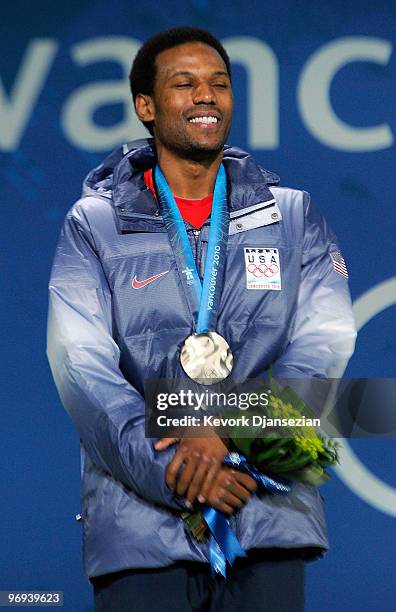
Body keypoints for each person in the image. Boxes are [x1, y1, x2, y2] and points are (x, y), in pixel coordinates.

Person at [47, 27, 356, 611]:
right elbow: (80, 366)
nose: (205, 96)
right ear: (146, 106)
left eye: (219, 83)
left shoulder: (293, 216)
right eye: (184, 84)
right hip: (139, 528)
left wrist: (228, 435)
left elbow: (326, 341)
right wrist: (171, 466)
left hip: (263, 512)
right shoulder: (94, 224)